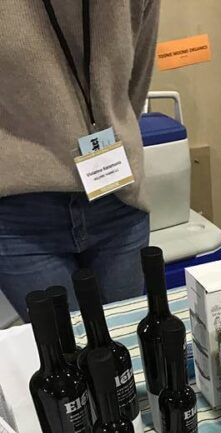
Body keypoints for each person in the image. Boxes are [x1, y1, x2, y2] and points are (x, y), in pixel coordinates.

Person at [0, 1, 160, 320]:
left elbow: (136, 79)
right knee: (64, 348)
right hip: (21, 213)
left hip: (118, 199)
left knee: (125, 334)